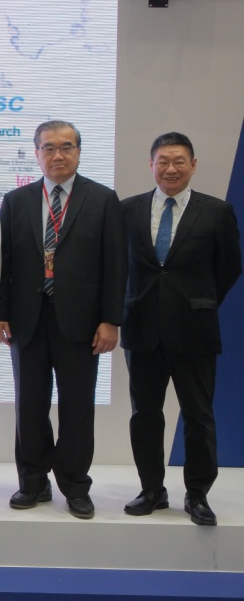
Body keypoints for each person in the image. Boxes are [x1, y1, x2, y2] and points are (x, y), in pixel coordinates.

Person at [0, 120, 126, 519]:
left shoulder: (102, 199)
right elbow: (4, 264)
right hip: (27, 322)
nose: (57, 155)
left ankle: (75, 485)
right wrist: (0, 313)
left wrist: (111, 320)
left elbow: (115, 265)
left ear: (79, 152)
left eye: (66, 147)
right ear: (36, 154)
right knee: (29, 406)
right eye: (48, 148)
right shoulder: (16, 201)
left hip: (82, 323)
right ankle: (33, 482)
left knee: (77, 408)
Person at [121, 132, 241, 526]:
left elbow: (229, 267)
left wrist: (199, 302)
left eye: (179, 161)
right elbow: (118, 266)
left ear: (193, 165)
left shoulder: (216, 212)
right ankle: (152, 490)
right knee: (145, 415)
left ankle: (198, 494)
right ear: (151, 165)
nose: (170, 169)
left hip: (194, 329)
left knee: (198, 415)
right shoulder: (128, 209)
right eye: (163, 161)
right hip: (142, 329)